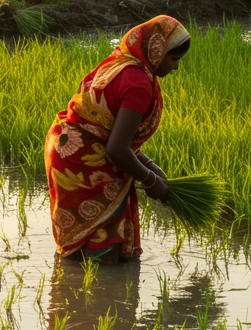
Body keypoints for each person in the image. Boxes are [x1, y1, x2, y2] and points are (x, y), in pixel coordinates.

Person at [44, 15, 190, 264]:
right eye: (173, 59)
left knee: (84, 242)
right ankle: (100, 296)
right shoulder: (138, 84)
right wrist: (151, 180)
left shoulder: (123, 63)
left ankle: (79, 288)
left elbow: (109, 132)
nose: (176, 67)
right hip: (85, 159)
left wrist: (151, 166)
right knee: (103, 243)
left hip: (68, 146)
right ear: (155, 52)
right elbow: (117, 149)